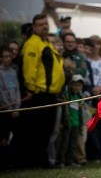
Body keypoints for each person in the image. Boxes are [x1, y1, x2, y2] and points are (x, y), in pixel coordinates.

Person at [12, 13, 65, 168]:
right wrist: (30, 89)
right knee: (37, 130)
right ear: (34, 27)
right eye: (40, 24)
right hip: (39, 94)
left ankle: (39, 160)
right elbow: (29, 69)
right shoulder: (32, 43)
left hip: (50, 94)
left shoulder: (45, 42)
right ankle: (34, 162)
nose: (44, 26)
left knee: (45, 130)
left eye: (45, 24)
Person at [0, 45, 21, 169]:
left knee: (14, 136)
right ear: (1, 58)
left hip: (16, 109)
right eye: (5, 56)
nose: (8, 59)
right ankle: (4, 162)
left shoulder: (13, 71)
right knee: (4, 137)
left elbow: (17, 89)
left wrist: (17, 107)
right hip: (5, 109)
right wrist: (9, 108)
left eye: (9, 56)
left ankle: (13, 161)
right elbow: (1, 92)